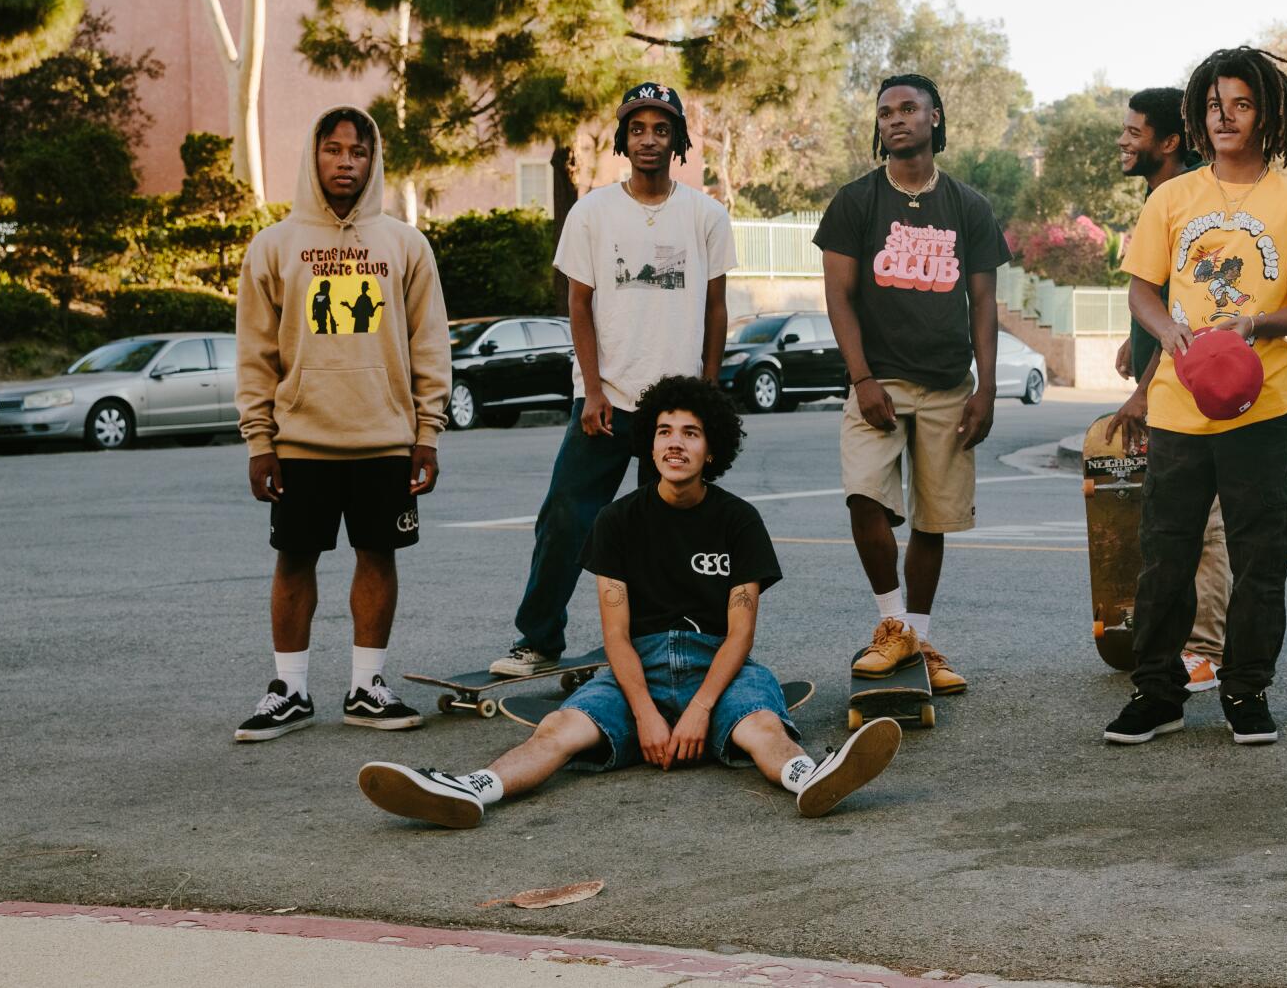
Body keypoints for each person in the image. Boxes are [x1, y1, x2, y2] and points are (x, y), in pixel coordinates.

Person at [359, 377, 902, 824]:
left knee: (763, 727)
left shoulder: (739, 521)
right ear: (649, 442)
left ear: (712, 447)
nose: (675, 443)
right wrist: (645, 713)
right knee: (558, 730)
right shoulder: (617, 521)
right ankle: (471, 789)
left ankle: (812, 778)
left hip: (718, 665)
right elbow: (616, 635)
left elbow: (740, 634)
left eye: (691, 433)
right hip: (632, 668)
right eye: (664, 430)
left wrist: (698, 712)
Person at [1103, 47, 1287, 748]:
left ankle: (1245, 689)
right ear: (1198, 115)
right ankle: (1157, 692)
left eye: (1240, 104)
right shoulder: (1172, 199)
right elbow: (1141, 289)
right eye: (1214, 105)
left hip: (1262, 403)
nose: (1225, 116)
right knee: (1165, 554)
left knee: (1260, 553)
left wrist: (1255, 323)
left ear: (1265, 114)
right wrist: (1168, 333)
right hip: (1180, 405)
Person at [492, 83, 733, 678]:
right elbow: (578, 306)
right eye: (637, 129)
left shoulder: (706, 214)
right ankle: (539, 637)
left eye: (661, 129)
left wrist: (705, 393)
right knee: (565, 518)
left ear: (678, 140)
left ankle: (665, 637)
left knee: (667, 530)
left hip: (675, 408)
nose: (648, 139)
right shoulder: (593, 212)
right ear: (623, 140)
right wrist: (592, 390)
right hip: (607, 400)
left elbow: (716, 309)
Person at [233, 106, 450, 742]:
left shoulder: (405, 244)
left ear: (373, 160)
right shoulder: (273, 246)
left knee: (377, 555)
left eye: (357, 152)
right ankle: (290, 690)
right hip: (300, 438)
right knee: (294, 558)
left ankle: (366, 687)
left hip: (385, 437)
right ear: (314, 155)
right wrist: (258, 440)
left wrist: (427, 433)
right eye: (333, 149)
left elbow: (430, 344)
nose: (345, 162)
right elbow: (255, 353)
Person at [817, 74, 1009, 695]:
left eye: (908, 108)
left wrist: (987, 387)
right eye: (885, 112)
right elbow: (838, 298)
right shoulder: (856, 202)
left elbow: (983, 303)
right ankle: (892, 623)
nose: (895, 119)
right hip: (880, 383)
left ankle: (918, 638)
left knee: (933, 518)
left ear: (934, 118)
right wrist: (862, 376)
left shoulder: (969, 206)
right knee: (864, 499)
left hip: (950, 386)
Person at [1111, 85, 1227, 694]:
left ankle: (1205, 650)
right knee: (1173, 523)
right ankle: (1182, 642)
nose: (1124, 141)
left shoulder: (1185, 201)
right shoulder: (1161, 198)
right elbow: (1153, 293)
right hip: (1164, 378)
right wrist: (1137, 340)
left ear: (1169, 141)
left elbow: (1189, 308)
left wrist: (1143, 392)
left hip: (1185, 390)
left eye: (1135, 132)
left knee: (1204, 526)